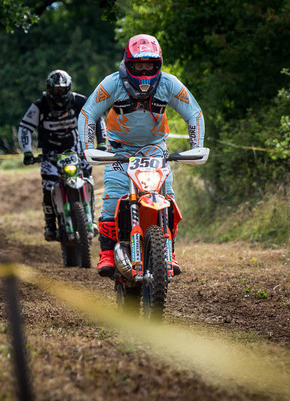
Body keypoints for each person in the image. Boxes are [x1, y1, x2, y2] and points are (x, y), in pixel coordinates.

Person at [78, 34, 205, 277]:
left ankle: (169, 251)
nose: (145, 70)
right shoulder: (112, 83)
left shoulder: (169, 83)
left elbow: (194, 113)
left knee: (167, 198)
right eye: (139, 65)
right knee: (113, 198)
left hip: (155, 149)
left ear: (158, 64)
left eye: (150, 64)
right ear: (128, 63)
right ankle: (107, 252)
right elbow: (88, 113)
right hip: (119, 150)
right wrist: (88, 148)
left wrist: (196, 146)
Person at [19, 69, 107, 242]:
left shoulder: (79, 101)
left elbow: (97, 117)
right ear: (49, 89)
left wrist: (102, 142)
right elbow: (25, 128)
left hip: (75, 148)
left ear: (69, 88)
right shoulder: (40, 105)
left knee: (87, 177)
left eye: (62, 90)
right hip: (50, 153)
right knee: (48, 184)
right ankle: (50, 224)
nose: (59, 94)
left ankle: (91, 217)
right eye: (56, 90)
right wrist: (27, 152)